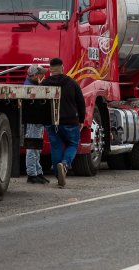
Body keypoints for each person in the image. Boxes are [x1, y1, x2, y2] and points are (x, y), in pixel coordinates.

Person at [42, 57, 85, 187]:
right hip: (70, 121)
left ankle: (58, 173)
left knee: (56, 147)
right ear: (63, 68)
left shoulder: (44, 84)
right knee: (72, 144)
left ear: (50, 70)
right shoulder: (72, 83)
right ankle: (65, 165)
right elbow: (81, 103)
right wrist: (81, 120)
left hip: (51, 121)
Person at [24, 65, 50, 184]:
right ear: (34, 75)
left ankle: (37, 172)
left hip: (37, 120)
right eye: (40, 74)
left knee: (36, 147)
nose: (43, 76)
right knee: (32, 147)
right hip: (33, 119)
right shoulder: (29, 87)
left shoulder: (33, 85)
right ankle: (32, 174)